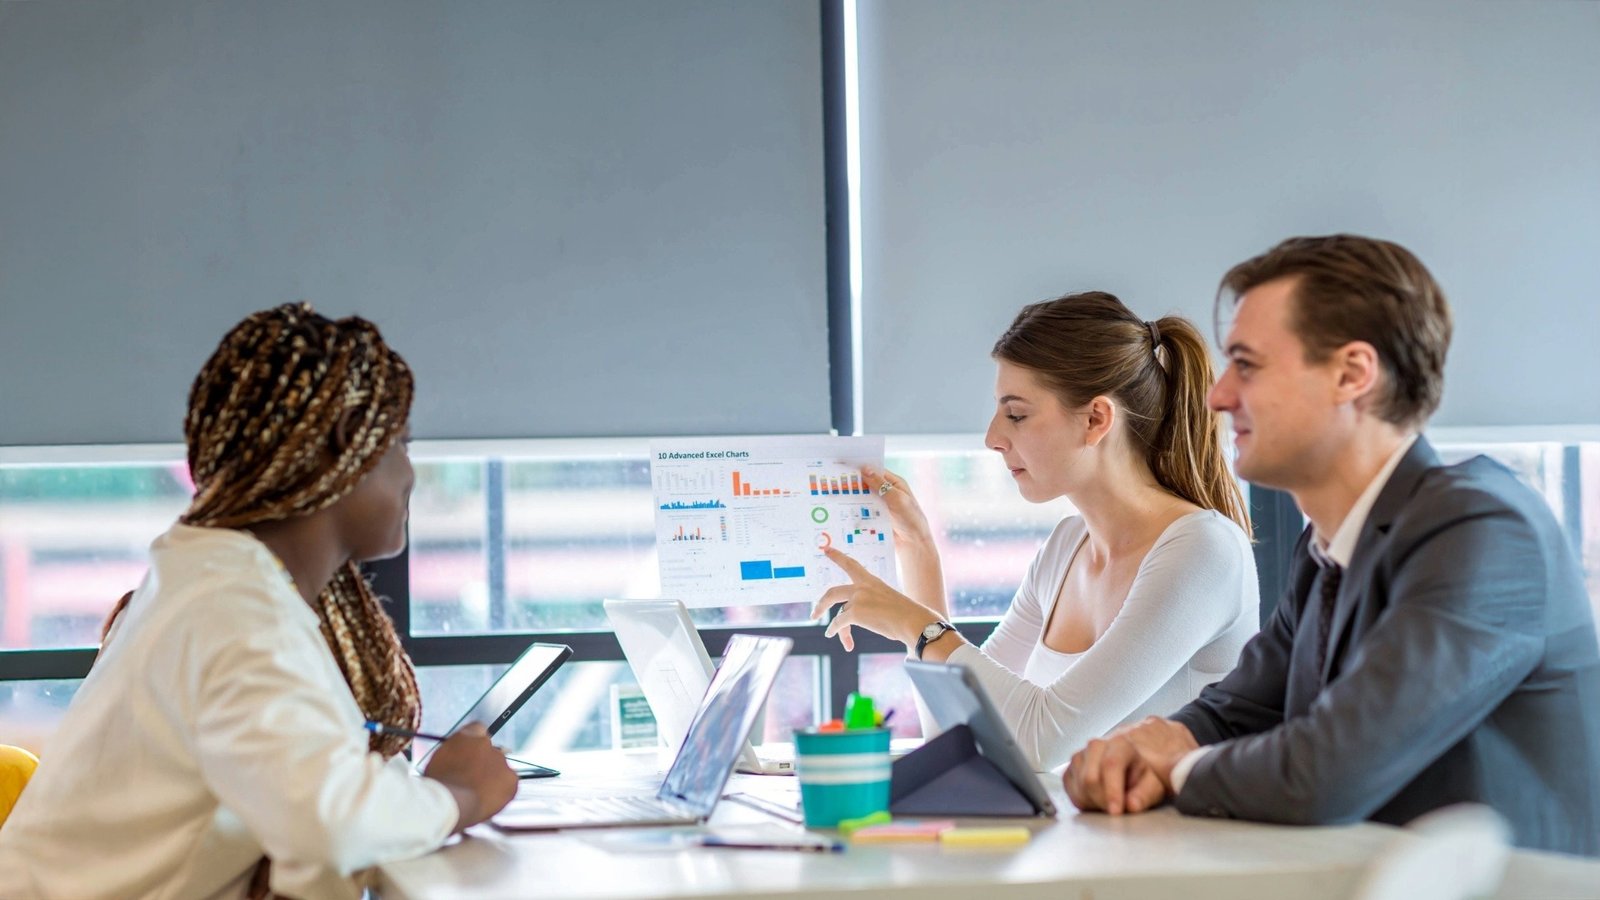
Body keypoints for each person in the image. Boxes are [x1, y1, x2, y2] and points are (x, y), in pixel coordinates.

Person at [1063, 235, 1600, 857]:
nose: (1218, 395)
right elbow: (1236, 712)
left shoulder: (1482, 528)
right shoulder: (1328, 550)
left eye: (1248, 364)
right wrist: (1144, 746)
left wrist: (1173, 768)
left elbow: (1324, 773)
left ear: (1352, 374)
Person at [0, 304, 518, 898]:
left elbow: (305, 807)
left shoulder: (209, 578)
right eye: (399, 444)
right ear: (342, 451)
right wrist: (460, 795)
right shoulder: (234, 610)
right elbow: (326, 825)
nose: (411, 474)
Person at [814, 291, 1259, 771]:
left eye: (1017, 414)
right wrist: (919, 552)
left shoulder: (1202, 550)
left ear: (1095, 420)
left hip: (1176, 845)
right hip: (1080, 841)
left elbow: (1046, 740)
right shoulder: (1067, 547)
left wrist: (914, 624)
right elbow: (959, 735)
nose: (991, 437)